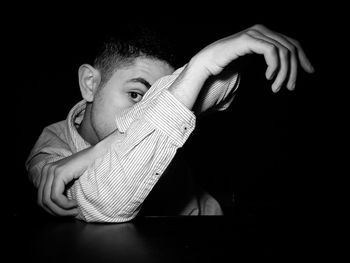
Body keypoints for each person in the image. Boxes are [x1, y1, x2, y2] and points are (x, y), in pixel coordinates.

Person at [25, 23, 314, 223]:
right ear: (90, 83)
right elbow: (103, 202)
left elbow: (221, 86)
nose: (149, 105)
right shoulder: (49, 156)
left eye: (156, 97)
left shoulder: (162, 104)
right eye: (136, 94)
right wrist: (199, 66)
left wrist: (205, 63)